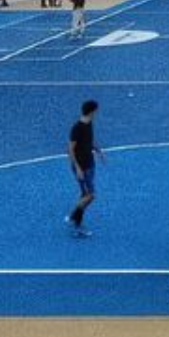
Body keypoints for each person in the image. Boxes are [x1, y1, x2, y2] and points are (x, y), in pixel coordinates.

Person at [66, 100, 101, 238]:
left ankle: (75, 219)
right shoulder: (77, 128)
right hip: (83, 167)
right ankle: (76, 221)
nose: (97, 113)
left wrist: (98, 150)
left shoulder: (89, 123)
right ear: (92, 111)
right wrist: (78, 168)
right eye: (96, 111)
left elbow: (89, 140)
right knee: (90, 196)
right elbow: (70, 149)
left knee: (84, 194)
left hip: (90, 164)